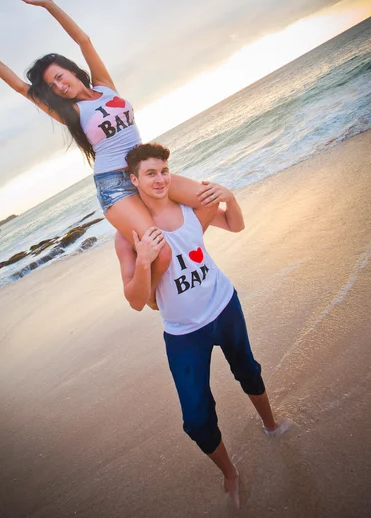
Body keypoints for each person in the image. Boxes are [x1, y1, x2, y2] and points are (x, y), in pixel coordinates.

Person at [0, 0, 215, 304]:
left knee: (207, 200)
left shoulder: (106, 85)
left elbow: (83, 40)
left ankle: (138, 244)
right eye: (53, 85)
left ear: (72, 71)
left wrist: (49, 4)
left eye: (60, 76)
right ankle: (150, 296)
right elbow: (21, 89)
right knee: (159, 252)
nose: (59, 85)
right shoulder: (72, 113)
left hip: (147, 172)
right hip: (116, 185)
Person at [115, 143, 289, 509]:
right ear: (133, 180)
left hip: (224, 305)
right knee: (196, 419)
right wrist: (144, 261)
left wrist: (230, 198)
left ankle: (271, 425)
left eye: (164, 170)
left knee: (249, 371)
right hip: (183, 332)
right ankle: (230, 473)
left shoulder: (191, 208)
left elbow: (235, 224)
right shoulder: (127, 236)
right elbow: (134, 300)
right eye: (150, 173)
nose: (160, 179)